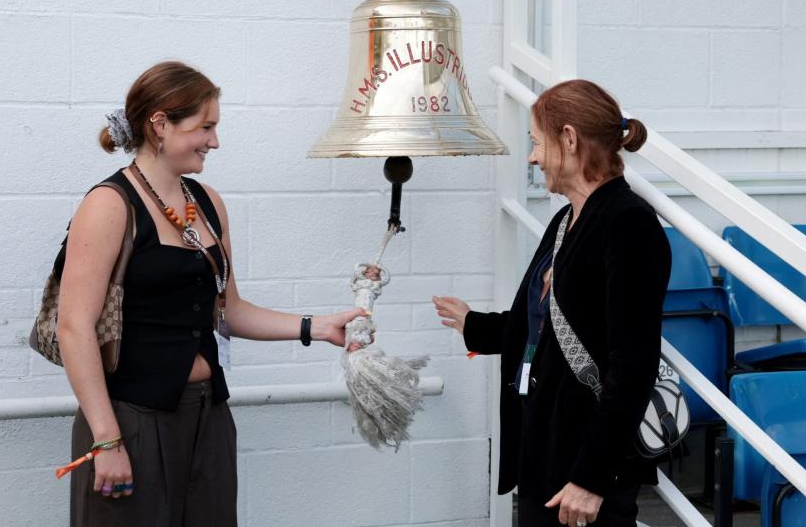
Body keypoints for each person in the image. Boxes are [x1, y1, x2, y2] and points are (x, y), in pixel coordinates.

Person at [56, 61, 366, 526]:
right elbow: (74, 327)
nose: (214, 141)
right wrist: (106, 439)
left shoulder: (206, 202)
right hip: (131, 421)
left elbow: (230, 309)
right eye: (206, 127)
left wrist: (317, 328)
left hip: (208, 416)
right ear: (160, 125)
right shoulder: (109, 204)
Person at [433, 79, 671, 526]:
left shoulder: (629, 224)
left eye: (536, 143)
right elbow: (543, 328)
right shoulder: (566, 219)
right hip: (546, 448)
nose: (532, 157)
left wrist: (592, 479)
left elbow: (633, 365)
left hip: (585, 467)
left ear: (569, 138)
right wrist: (474, 325)